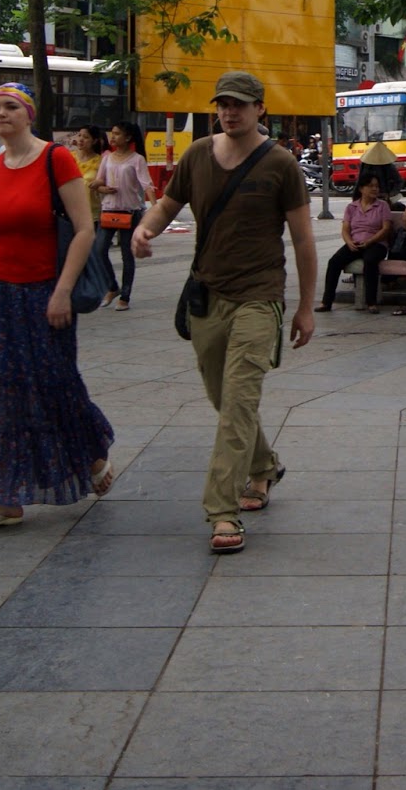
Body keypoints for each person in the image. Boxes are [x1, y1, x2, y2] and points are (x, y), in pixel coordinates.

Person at [131, 71, 316, 554]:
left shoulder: (280, 164)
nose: (229, 112)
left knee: (238, 402)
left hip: (259, 297)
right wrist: (145, 230)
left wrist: (305, 307)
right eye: (223, 104)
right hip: (207, 296)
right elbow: (167, 205)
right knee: (224, 397)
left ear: (260, 109)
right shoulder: (197, 155)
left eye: (239, 104)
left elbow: (303, 240)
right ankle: (264, 466)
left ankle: (222, 511)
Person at [0, 83, 116, 532]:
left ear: (29, 114)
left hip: (45, 291)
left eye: (11, 106)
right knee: (0, 391)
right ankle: (5, 496)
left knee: (53, 383)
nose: (1, 113)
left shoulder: (55, 159)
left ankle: (93, 454)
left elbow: (84, 230)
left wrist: (62, 291)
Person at [93, 120, 156, 311]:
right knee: (99, 250)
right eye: (112, 133)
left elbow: (147, 185)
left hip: (130, 212)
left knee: (127, 256)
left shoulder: (137, 159)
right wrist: (102, 188)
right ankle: (112, 287)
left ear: (128, 137)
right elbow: (99, 181)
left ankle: (125, 297)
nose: (112, 137)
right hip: (109, 210)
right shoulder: (107, 158)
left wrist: (156, 208)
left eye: (117, 134)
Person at [316, 174, 394, 313]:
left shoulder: (382, 206)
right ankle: (326, 302)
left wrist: (370, 241)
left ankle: (371, 303)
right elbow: (345, 229)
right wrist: (349, 242)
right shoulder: (351, 207)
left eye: (376, 186)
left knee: (370, 261)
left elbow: (386, 229)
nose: (375, 189)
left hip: (376, 243)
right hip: (356, 243)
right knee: (334, 262)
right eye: (370, 186)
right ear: (361, 189)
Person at [70, 125, 107, 223]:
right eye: (79, 135)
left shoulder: (101, 161)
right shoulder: (69, 157)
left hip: (91, 214)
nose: (81, 139)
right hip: (69, 212)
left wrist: (99, 186)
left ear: (94, 141)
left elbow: (104, 183)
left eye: (86, 137)